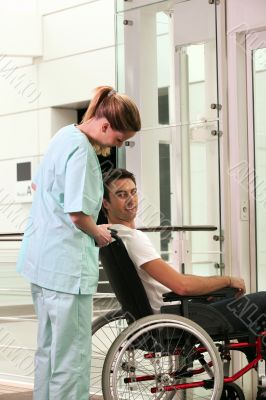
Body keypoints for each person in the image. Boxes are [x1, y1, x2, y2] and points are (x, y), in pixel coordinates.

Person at [16, 88, 141, 400]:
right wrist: (98, 232)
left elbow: (39, 185)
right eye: (119, 139)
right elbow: (77, 214)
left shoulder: (64, 136)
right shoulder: (83, 153)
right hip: (65, 270)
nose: (118, 146)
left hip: (41, 263)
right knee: (71, 360)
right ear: (104, 126)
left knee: (49, 352)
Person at [102, 168, 266, 400]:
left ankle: (260, 376)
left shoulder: (110, 236)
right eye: (121, 194)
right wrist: (228, 279)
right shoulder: (134, 239)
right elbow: (182, 286)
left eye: (134, 192)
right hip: (176, 321)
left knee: (238, 306)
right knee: (262, 301)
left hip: (157, 317)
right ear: (105, 203)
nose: (131, 200)